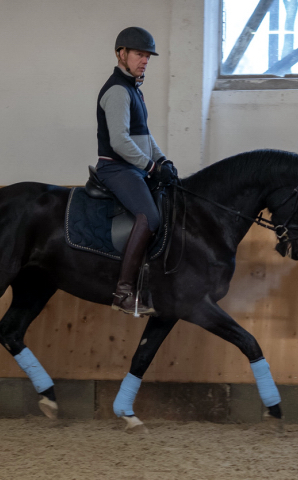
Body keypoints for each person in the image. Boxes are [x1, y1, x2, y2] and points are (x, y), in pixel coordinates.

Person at [95, 26, 177, 316]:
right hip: (117, 169)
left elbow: (144, 135)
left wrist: (163, 160)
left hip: (134, 168)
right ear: (121, 54)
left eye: (148, 56)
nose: (145, 61)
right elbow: (119, 142)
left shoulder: (134, 89)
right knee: (150, 216)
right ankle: (124, 291)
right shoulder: (118, 91)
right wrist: (151, 166)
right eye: (139, 55)